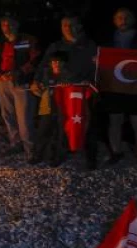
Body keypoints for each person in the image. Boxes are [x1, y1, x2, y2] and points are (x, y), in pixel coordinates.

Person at [33, 16, 98, 170]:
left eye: (71, 24)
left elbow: (98, 69)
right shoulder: (56, 46)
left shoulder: (90, 46)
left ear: (79, 26)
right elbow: (44, 67)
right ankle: (51, 153)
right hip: (55, 92)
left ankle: (89, 157)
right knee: (48, 122)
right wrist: (37, 81)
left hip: (81, 93)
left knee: (85, 123)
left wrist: (89, 81)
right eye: (64, 25)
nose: (67, 28)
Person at [101, 8, 137, 171]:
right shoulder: (108, 39)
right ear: (114, 20)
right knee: (115, 121)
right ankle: (116, 152)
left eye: (127, 17)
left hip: (136, 86)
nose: (123, 20)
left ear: (133, 19)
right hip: (115, 86)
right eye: (119, 17)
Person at [0, 17, 41, 159]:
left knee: (24, 118)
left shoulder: (28, 40)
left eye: (9, 24)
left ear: (17, 25)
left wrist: (18, 72)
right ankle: (16, 143)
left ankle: (31, 150)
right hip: (2, 83)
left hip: (21, 83)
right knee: (8, 115)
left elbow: (35, 59)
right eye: (3, 24)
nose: (6, 27)